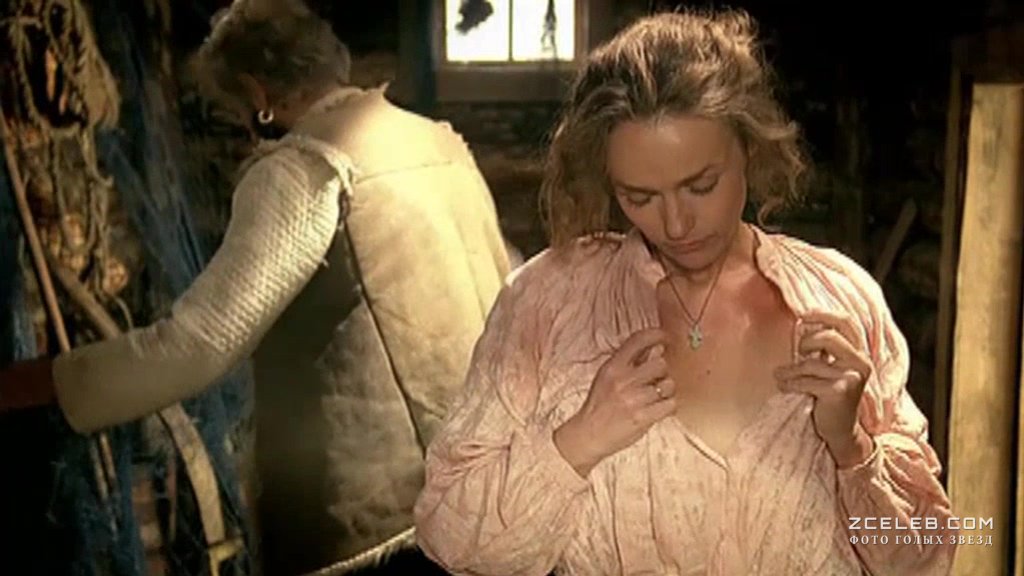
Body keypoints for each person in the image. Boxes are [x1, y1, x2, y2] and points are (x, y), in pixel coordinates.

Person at [414, 8, 956, 576]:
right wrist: (579, 440)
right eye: (639, 197)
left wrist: (852, 449)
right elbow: (452, 537)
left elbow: (925, 556)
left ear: (749, 148)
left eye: (701, 186)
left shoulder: (838, 297)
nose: (675, 225)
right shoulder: (549, 302)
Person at [0, 0, 510, 574]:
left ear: (256, 92)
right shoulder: (440, 144)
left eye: (232, 106)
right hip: (478, 489)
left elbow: (198, 344)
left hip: (381, 522)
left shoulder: (306, 168)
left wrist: (50, 382)